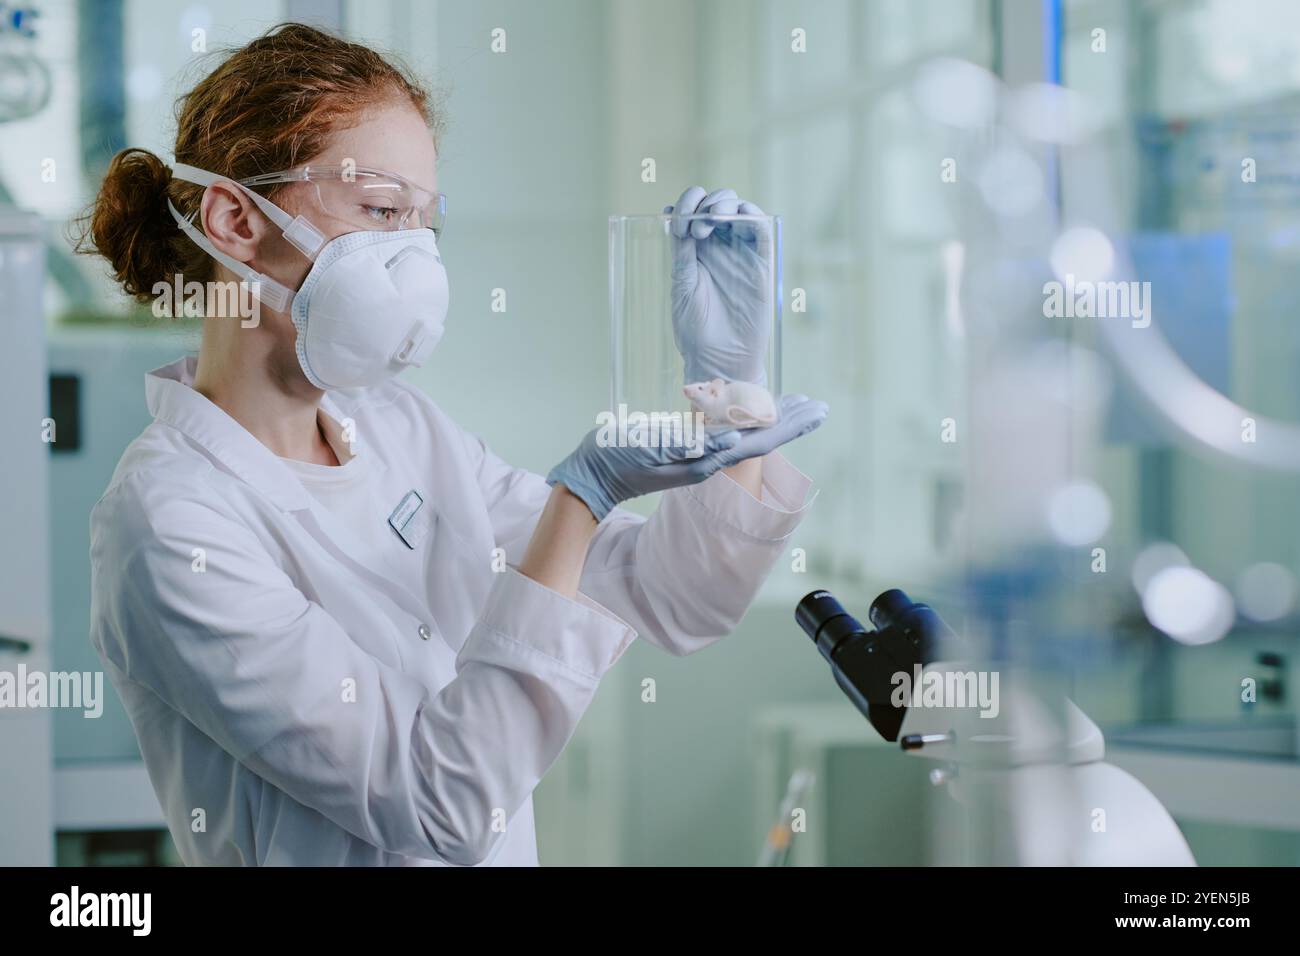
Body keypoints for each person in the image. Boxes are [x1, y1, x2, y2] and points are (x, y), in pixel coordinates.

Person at [78, 23, 827, 866]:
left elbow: (676, 598)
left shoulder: (402, 428)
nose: (412, 257)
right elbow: (438, 805)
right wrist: (577, 501)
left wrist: (731, 390)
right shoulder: (170, 522)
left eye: (422, 223)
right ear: (234, 219)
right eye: (379, 211)